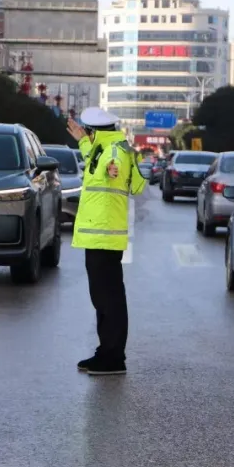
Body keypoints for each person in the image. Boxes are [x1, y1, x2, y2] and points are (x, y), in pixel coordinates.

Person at [68, 107, 146, 376]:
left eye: (86, 132)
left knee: (108, 299)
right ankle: (107, 351)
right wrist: (81, 141)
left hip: (103, 235)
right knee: (103, 297)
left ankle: (113, 358)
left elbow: (112, 170)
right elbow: (94, 158)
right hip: (100, 235)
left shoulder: (113, 154)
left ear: (94, 132)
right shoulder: (107, 148)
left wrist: (113, 170)